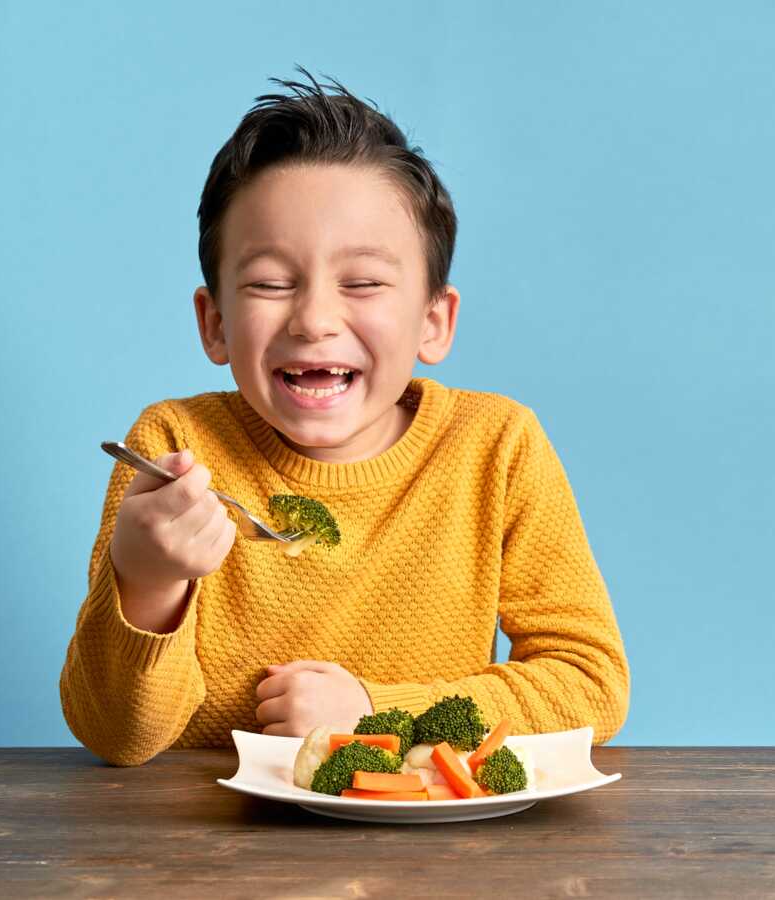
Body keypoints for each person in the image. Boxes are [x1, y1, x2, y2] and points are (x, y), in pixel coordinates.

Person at [60, 69, 629, 765]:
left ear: (433, 322)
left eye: (361, 283)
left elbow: (590, 685)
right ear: (214, 324)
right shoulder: (175, 448)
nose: (315, 320)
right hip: (205, 854)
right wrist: (146, 580)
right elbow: (118, 739)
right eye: (270, 284)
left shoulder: (496, 447)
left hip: (429, 851)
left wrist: (374, 711)